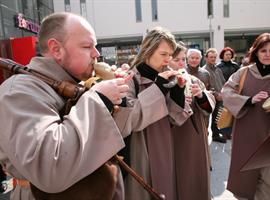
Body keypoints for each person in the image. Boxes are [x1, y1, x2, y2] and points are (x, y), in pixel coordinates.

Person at [0, 12, 170, 200]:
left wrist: (117, 98)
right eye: (87, 46)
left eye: (95, 46)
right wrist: (98, 99)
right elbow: (50, 167)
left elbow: (117, 133)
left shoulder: (79, 84)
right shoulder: (18, 91)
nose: (96, 54)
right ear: (56, 49)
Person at [123, 27, 190, 200]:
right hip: (140, 147)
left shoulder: (166, 76)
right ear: (148, 51)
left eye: (170, 55)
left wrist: (178, 92)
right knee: (142, 191)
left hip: (164, 144)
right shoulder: (130, 79)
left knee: (165, 189)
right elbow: (130, 119)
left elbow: (175, 119)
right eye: (164, 54)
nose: (168, 60)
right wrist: (158, 87)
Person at [221, 33, 270, 200]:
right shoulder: (243, 73)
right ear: (255, 52)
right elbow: (226, 93)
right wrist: (249, 100)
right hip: (246, 133)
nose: (267, 54)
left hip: (268, 136)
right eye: (263, 50)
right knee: (244, 180)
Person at [169, 43, 215, 200]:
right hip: (170, 137)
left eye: (183, 59)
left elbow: (209, 106)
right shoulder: (161, 81)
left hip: (192, 135)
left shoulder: (194, 79)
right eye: (177, 60)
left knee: (193, 179)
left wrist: (201, 96)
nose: (182, 64)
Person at [202, 48, 227, 143]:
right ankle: (205, 136)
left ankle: (216, 135)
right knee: (206, 119)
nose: (213, 59)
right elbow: (205, 86)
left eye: (214, 57)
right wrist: (216, 94)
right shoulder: (204, 71)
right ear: (206, 58)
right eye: (211, 57)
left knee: (217, 118)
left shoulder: (218, 69)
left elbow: (224, 82)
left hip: (220, 98)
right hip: (210, 98)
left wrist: (224, 92)